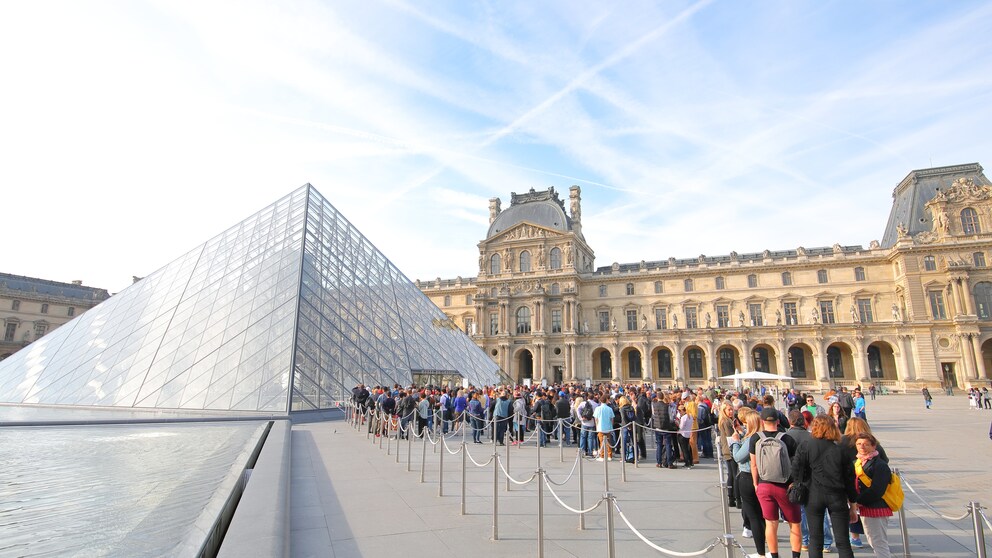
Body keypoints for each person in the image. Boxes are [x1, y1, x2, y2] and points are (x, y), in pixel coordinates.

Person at [792, 415, 856, 558]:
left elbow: (796, 469)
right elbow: (849, 478)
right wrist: (853, 503)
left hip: (813, 494)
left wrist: (801, 482)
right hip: (837, 495)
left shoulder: (806, 445)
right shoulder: (840, 448)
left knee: (815, 539)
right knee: (843, 541)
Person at [750, 407, 802, 558]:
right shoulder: (787, 438)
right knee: (795, 523)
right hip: (785, 485)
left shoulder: (755, 438)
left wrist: (756, 483)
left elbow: (754, 464)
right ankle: (795, 556)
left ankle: (774, 555)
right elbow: (795, 464)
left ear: (762, 422)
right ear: (778, 421)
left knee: (771, 523)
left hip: (764, 483)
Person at [853, 433, 893, 558]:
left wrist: (858, 501)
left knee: (878, 541)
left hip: (876, 506)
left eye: (866, 444)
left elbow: (877, 490)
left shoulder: (880, 465)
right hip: (865, 506)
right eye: (859, 444)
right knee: (873, 540)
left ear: (874, 446)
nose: (862, 447)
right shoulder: (858, 462)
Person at [732, 408, 766, 554]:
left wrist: (735, 443)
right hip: (765, 477)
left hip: (748, 476)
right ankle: (767, 545)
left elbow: (738, 457)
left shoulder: (752, 438)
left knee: (754, 516)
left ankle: (761, 552)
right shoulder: (764, 436)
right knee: (762, 515)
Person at [718, 401, 739, 502]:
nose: (731, 411)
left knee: (731, 474)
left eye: (732, 409)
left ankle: (731, 497)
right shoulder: (726, 422)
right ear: (724, 411)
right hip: (730, 449)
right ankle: (734, 496)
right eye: (729, 410)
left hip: (727, 449)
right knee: (734, 474)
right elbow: (731, 437)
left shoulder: (727, 420)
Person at [651, 392, 676, 468]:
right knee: (668, 445)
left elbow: (653, 415)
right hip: (666, 427)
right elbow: (671, 417)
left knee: (659, 445)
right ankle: (669, 463)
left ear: (657, 397)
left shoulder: (654, 405)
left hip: (658, 427)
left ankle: (659, 462)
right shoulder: (667, 406)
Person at [593, 394, 615, 461]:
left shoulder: (597, 408)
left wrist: (597, 427)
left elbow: (596, 419)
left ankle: (602, 456)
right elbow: (612, 419)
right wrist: (611, 426)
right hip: (608, 427)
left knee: (601, 442)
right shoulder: (610, 409)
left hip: (600, 427)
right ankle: (609, 455)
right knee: (608, 442)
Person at [676, 401, 694, 469]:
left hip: (682, 434)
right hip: (688, 434)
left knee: (684, 450)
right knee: (688, 449)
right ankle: (691, 461)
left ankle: (687, 463)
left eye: (679, 411)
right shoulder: (690, 416)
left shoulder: (684, 417)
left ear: (682, 411)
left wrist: (678, 423)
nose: (679, 413)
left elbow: (681, 427)